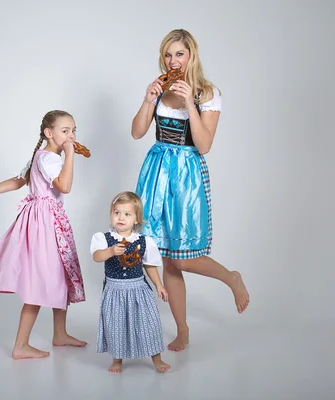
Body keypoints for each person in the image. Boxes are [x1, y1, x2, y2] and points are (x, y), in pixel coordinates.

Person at [131, 29, 250, 352]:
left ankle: (231, 278)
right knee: (166, 259)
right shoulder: (158, 88)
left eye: (179, 54)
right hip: (156, 172)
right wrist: (148, 100)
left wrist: (189, 103)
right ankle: (182, 331)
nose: (173, 61)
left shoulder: (207, 93)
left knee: (184, 258)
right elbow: (137, 132)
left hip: (186, 175)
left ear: (191, 55)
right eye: (168, 55)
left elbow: (205, 145)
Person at [0, 110, 86, 359]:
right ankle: (21, 346)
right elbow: (65, 186)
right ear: (48, 133)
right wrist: (70, 155)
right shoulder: (51, 159)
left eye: (74, 130)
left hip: (44, 221)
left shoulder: (39, 156)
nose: (71, 136)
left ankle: (59, 334)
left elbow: (18, 181)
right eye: (65, 131)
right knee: (41, 281)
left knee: (59, 275)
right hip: (45, 224)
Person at [90, 191, 170, 373]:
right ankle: (117, 359)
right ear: (111, 214)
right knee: (116, 325)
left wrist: (159, 285)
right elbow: (96, 256)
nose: (121, 218)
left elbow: (149, 266)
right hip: (115, 290)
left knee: (149, 324)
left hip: (138, 289)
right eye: (117, 212)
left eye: (127, 214)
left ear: (136, 219)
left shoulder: (144, 241)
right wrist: (110, 251)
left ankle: (157, 358)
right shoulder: (104, 239)